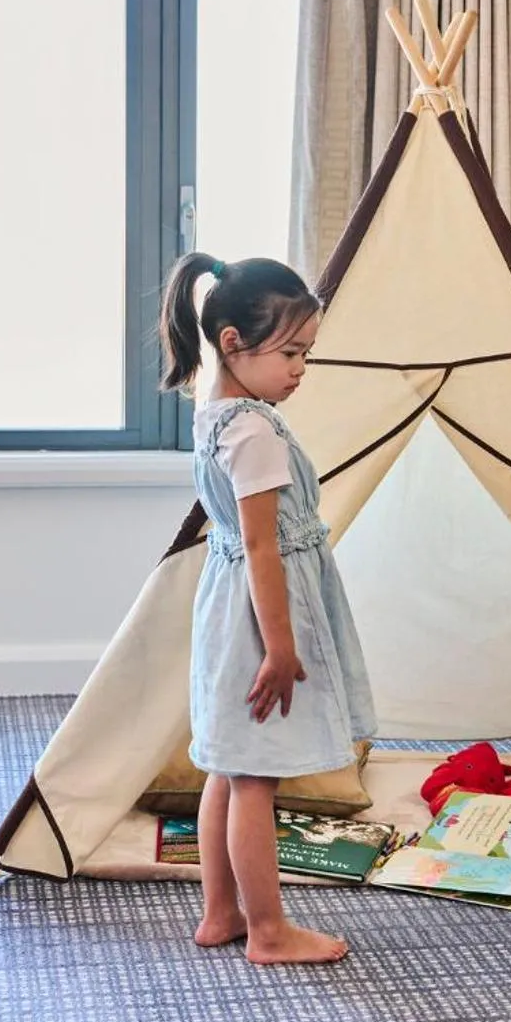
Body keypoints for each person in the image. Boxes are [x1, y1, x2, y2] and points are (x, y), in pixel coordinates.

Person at [159, 251, 376, 966]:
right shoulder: (254, 432)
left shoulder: (216, 412)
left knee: (226, 764)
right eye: (289, 351)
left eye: (305, 352)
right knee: (256, 778)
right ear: (232, 343)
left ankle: (220, 912)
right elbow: (262, 550)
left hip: (229, 606)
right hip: (260, 614)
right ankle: (269, 928)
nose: (300, 368)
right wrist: (282, 650)